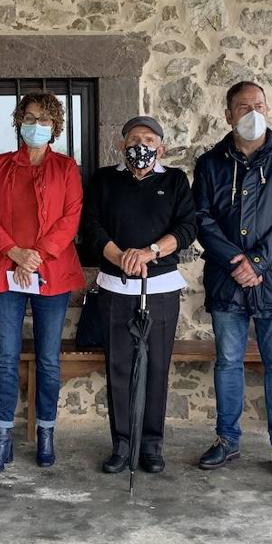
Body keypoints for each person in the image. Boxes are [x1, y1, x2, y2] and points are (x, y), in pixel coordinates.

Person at [193, 82, 272, 478]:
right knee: (227, 362)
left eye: (259, 105)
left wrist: (257, 262)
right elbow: (201, 218)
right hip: (227, 278)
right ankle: (227, 439)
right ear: (228, 115)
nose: (252, 113)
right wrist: (235, 260)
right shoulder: (210, 163)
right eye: (243, 107)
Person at [0, 91, 85, 475]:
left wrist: (36, 255)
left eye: (45, 119)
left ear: (55, 127)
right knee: (6, 357)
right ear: (19, 121)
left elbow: (70, 218)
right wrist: (14, 252)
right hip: (6, 270)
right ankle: (2, 437)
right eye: (30, 117)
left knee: (49, 358)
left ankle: (46, 433)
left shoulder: (66, 168)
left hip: (50, 272)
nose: (36, 125)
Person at [81, 116, 196, 474]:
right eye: (133, 138)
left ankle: (151, 444)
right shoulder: (104, 179)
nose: (140, 145)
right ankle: (122, 443)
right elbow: (91, 226)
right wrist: (120, 256)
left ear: (161, 147)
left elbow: (187, 227)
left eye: (148, 139)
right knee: (119, 366)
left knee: (156, 366)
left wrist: (150, 252)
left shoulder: (175, 180)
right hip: (115, 286)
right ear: (121, 144)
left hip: (160, 287)